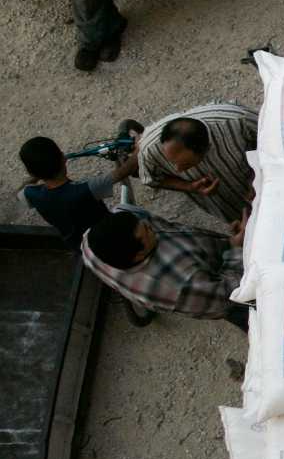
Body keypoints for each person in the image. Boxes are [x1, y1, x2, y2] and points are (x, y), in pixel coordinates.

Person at [81, 208, 250, 332]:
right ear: (139, 255)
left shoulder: (90, 245)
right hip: (236, 292)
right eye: (147, 230)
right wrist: (235, 248)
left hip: (215, 257)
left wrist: (227, 243)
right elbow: (230, 296)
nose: (149, 224)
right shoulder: (177, 288)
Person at [134, 104, 258, 225]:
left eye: (187, 165)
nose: (178, 170)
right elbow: (153, 179)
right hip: (227, 204)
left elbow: (274, 141)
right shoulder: (149, 150)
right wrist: (189, 186)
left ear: (206, 148)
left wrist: (258, 177)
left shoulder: (239, 120)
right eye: (171, 163)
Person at [18, 135, 134, 249]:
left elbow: (20, 193)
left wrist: (37, 176)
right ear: (63, 157)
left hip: (83, 248)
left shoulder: (31, 194)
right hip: (114, 239)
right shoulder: (86, 190)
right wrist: (139, 148)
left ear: (31, 173)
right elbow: (123, 172)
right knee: (138, 215)